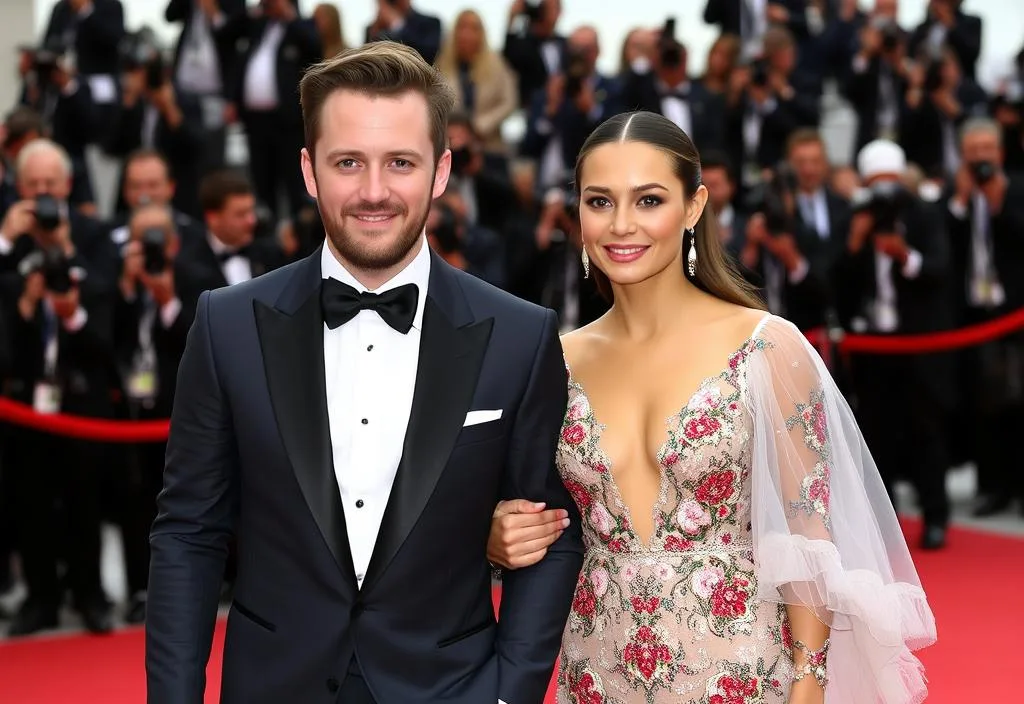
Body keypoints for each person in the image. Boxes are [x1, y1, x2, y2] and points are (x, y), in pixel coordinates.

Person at [145, 41, 583, 704]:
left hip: (449, 689)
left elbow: (548, 537)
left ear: (440, 172)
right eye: (348, 162)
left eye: (399, 163)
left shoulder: (518, 336)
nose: (373, 192)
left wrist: (506, 693)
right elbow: (188, 533)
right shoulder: (227, 326)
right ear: (309, 170)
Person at [486, 111, 937, 704]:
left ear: (694, 207)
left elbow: (809, 535)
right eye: (600, 201)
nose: (621, 225)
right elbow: (532, 511)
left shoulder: (767, 347)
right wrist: (495, 538)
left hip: (742, 675)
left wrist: (807, 683)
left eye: (649, 200)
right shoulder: (554, 361)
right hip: (595, 673)